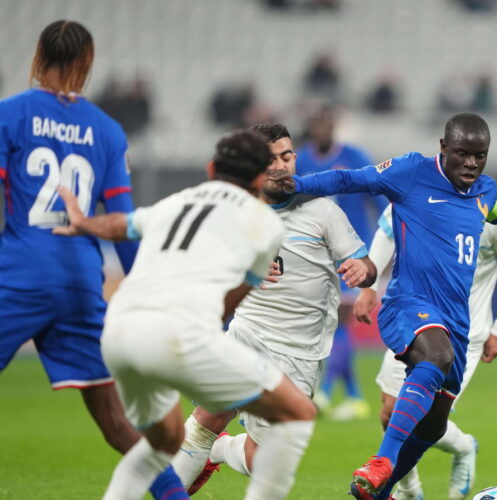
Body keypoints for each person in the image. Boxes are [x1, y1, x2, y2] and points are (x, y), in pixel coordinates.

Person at [274, 112, 497, 499]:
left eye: (480, 156)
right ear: (443, 147)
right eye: (463, 154)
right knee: (434, 355)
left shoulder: (483, 191)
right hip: (407, 304)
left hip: (457, 321)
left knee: (433, 426)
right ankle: (382, 462)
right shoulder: (411, 172)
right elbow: (350, 178)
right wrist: (297, 185)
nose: (471, 163)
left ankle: (378, 492)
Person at [53, 130, 318, 500]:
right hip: (177, 334)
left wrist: (83, 222)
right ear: (260, 178)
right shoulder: (265, 226)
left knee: (162, 444)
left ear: (211, 168)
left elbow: (121, 225)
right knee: (298, 413)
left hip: (118, 332)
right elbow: (227, 308)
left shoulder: (179, 200)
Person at [0, 20, 186, 500]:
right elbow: (122, 224)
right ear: (88, 61)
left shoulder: (10, 114)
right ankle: (174, 497)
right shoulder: (107, 130)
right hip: (82, 281)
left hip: (20, 271)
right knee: (115, 421)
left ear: (38, 56)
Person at [171, 122, 377, 493]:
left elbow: (367, 267)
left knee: (262, 461)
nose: (281, 166)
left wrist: (363, 271)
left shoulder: (322, 212)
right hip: (246, 332)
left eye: (287, 156)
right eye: (271, 160)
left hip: (299, 351)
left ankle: (219, 451)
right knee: (207, 416)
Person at [355, 202, 497, 500]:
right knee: (389, 411)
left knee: (424, 420)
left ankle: (463, 448)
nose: (468, 165)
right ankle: (409, 490)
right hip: (414, 320)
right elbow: (386, 232)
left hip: (464, 334)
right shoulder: (413, 192)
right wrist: (370, 286)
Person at [297, 107, 388, 420]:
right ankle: (353, 396)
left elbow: (379, 200)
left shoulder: (354, 156)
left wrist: (384, 244)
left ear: (334, 127)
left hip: (354, 249)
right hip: (316, 252)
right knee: (328, 323)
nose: (322, 129)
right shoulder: (302, 159)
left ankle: (321, 392)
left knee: (341, 319)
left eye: (326, 124)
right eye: (317, 124)